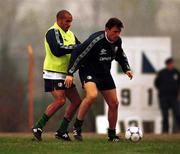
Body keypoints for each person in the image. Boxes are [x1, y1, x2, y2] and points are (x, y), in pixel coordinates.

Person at [64, 18, 133, 142]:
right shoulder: (95, 40)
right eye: (114, 32)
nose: (117, 35)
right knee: (92, 95)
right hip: (89, 71)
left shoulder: (117, 41)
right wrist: (70, 73)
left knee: (114, 103)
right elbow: (77, 52)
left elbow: (120, 55)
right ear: (107, 30)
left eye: (119, 32)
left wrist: (126, 68)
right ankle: (77, 127)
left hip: (104, 73)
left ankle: (112, 135)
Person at [32, 10, 81, 141]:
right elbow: (57, 50)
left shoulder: (70, 34)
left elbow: (80, 47)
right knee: (60, 100)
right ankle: (38, 127)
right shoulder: (52, 32)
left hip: (66, 74)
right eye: (67, 21)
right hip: (53, 73)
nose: (69, 24)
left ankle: (62, 131)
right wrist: (76, 48)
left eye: (71, 21)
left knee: (76, 101)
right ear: (59, 20)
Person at [154, 57, 180, 133]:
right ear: (167, 64)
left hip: (174, 97)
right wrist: (162, 90)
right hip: (164, 97)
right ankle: (165, 131)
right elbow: (156, 83)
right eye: (170, 64)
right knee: (165, 115)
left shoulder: (176, 72)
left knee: (177, 114)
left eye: (172, 63)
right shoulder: (162, 73)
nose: (171, 65)